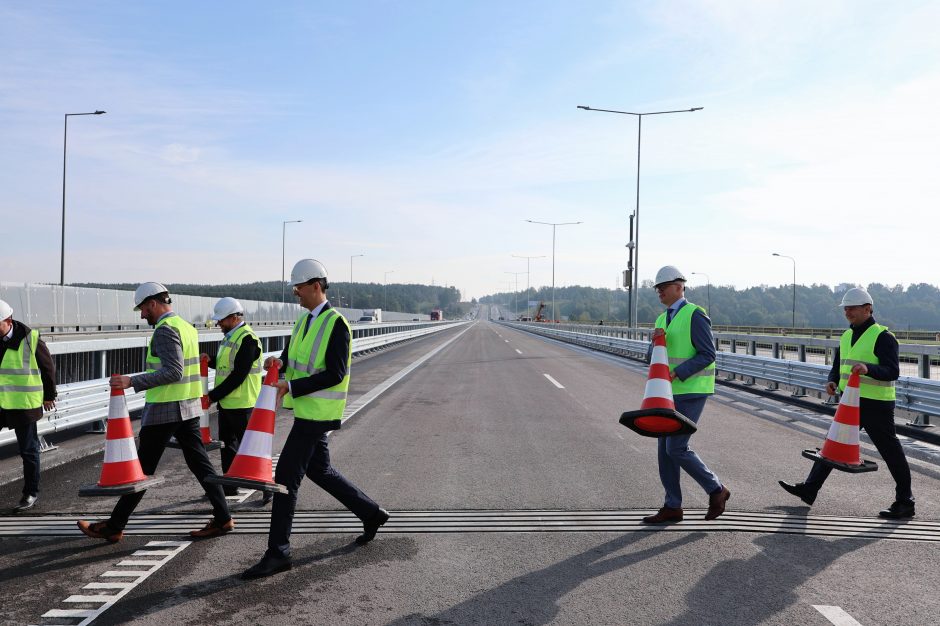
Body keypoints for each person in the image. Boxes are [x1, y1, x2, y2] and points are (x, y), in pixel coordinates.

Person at [242, 259, 388, 580]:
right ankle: (371, 513)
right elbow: (293, 356)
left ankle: (278, 552)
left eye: (299, 287)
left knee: (285, 478)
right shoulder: (303, 321)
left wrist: (290, 385)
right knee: (320, 471)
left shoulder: (337, 324)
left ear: (316, 286)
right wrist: (277, 362)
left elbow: (335, 373)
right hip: (306, 411)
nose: (295, 293)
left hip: (318, 414)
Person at [77, 283, 235, 542]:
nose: (141, 315)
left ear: (152, 303)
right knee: (198, 463)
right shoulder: (186, 327)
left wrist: (132, 381)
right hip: (188, 406)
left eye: (142, 309)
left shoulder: (164, 330)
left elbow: (174, 371)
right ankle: (223, 517)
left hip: (166, 408)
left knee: (141, 468)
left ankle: (114, 526)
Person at [779, 287, 915, 518]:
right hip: (850, 403)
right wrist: (832, 381)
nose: (847, 312)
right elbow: (838, 366)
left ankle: (905, 502)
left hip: (876, 405)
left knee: (891, 453)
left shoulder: (883, 337)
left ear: (868, 309)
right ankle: (809, 489)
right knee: (832, 447)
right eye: (845, 308)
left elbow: (892, 371)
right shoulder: (846, 335)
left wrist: (868, 369)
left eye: (852, 308)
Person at [642, 266, 730, 524]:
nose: (659, 291)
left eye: (664, 287)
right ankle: (672, 506)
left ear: (679, 287)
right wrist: (655, 343)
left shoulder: (695, 314)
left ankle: (717, 490)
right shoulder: (661, 320)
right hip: (666, 395)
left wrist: (679, 372)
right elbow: (651, 358)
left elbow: (708, 354)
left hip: (691, 391)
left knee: (676, 447)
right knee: (664, 450)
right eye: (657, 288)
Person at [0, 299, 57, 511]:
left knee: (29, 451)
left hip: (23, 404)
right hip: (0, 404)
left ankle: (30, 493)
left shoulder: (30, 338)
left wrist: (50, 395)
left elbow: (48, 368)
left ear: (8, 321)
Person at [202, 297, 263, 496]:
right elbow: (224, 366)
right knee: (228, 447)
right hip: (228, 403)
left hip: (243, 403)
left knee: (251, 448)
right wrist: (210, 360)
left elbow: (238, 375)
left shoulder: (248, 339)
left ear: (235, 317)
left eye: (222, 320)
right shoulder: (230, 336)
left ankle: (266, 487)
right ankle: (230, 486)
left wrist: (213, 396)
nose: (219, 323)